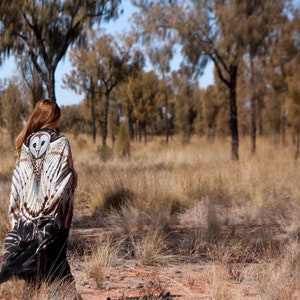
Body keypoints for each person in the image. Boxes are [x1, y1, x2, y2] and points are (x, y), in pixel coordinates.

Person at [0, 99, 79, 298]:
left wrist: (16, 221)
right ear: (54, 117)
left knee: (33, 270)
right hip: (52, 221)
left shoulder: (25, 143)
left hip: (25, 220)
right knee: (57, 265)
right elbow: (64, 179)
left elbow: (19, 186)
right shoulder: (61, 142)